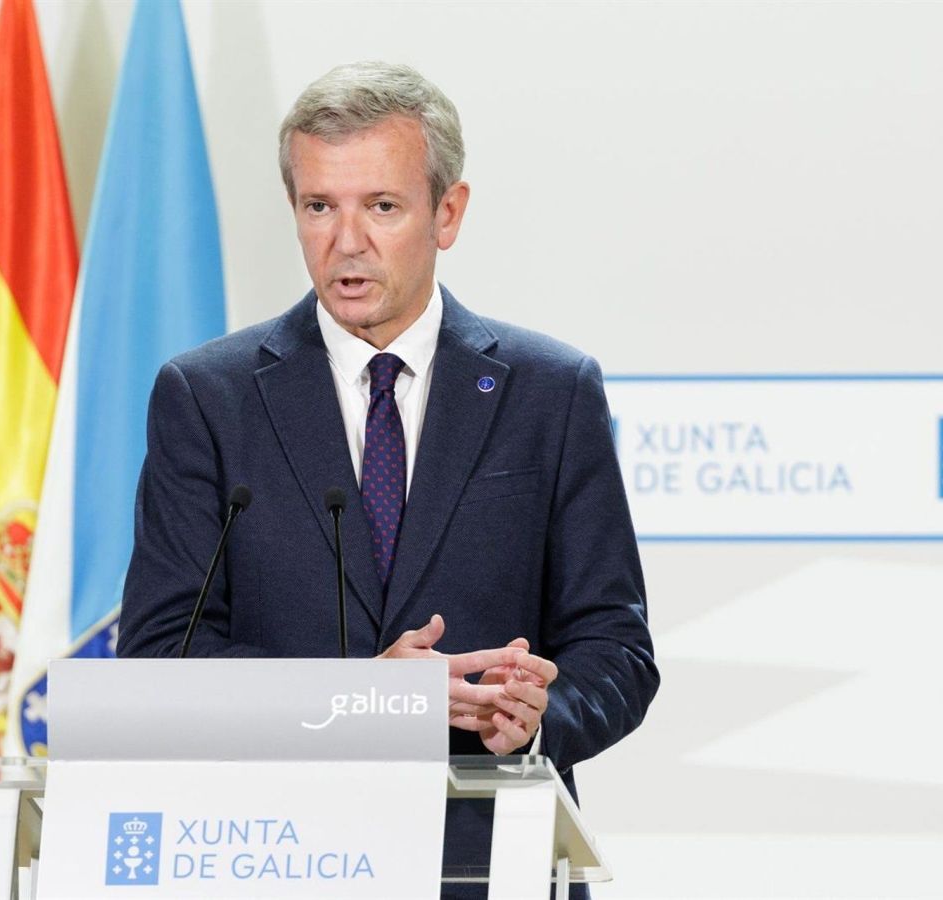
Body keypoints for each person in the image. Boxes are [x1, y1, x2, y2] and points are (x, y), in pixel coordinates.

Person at [117, 61, 659, 899]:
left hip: (487, 864)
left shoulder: (551, 393)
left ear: (448, 213)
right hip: (275, 857)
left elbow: (617, 649)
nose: (346, 242)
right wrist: (367, 698)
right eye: (318, 207)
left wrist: (541, 715)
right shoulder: (208, 397)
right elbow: (161, 656)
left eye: (381, 206)